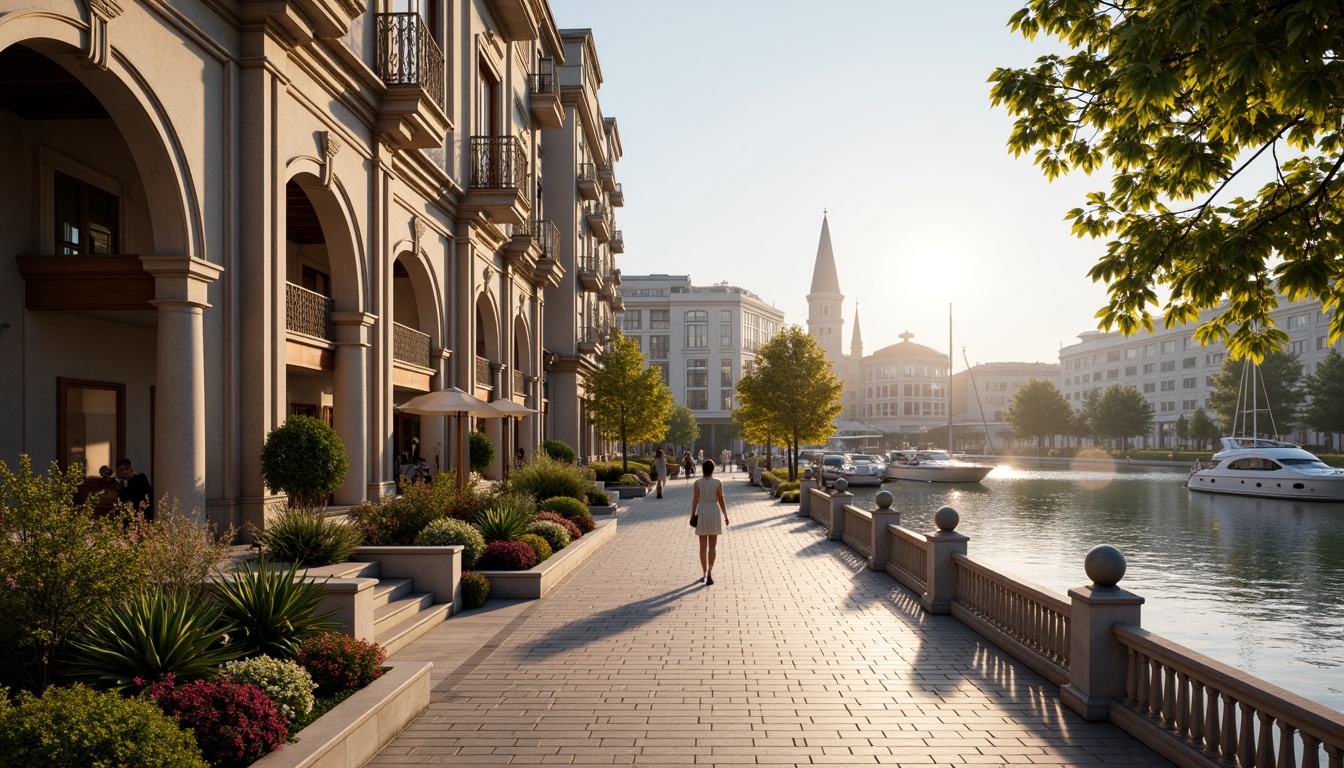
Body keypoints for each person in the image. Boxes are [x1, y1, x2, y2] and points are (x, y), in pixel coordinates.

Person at [691, 459, 729, 585]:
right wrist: (725, 515)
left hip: (702, 511)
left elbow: (695, 500)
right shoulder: (718, 482)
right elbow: (721, 499)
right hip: (714, 511)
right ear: (713, 469)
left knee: (702, 546)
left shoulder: (697, 483)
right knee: (712, 546)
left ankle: (703, 572)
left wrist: (692, 515)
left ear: (703, 469)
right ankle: (710, 572)